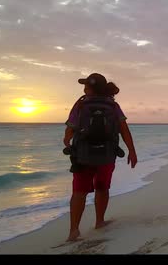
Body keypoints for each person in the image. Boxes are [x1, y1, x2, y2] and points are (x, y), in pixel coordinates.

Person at [63, 73, 138, 242]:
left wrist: (68, 142)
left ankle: (74, 231)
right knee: (102, 188)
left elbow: (70, 130)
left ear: (91, 88)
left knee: (79, 191)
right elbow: (124, 129)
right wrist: (132, 151)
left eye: (86, 86)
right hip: (107, 154)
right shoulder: (113, 106)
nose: (84, 89)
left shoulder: (81, 105)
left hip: (83, 156)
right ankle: (99, 221)